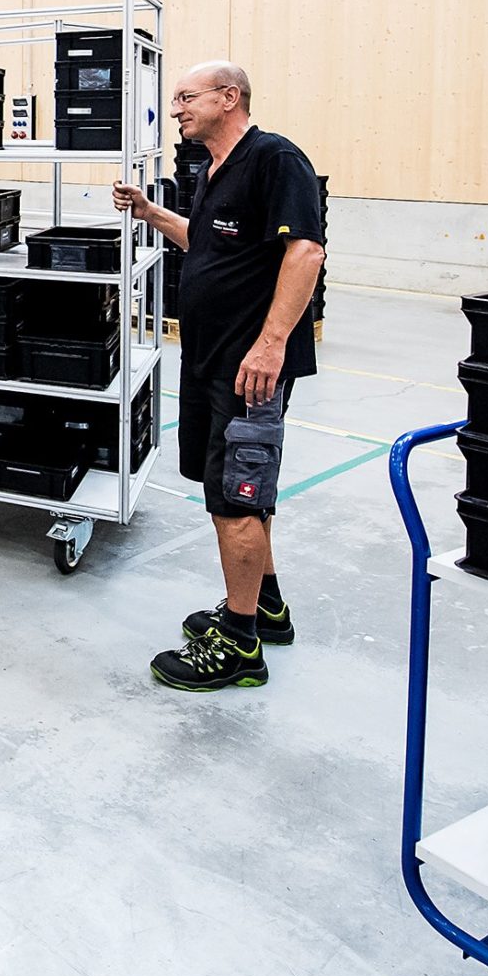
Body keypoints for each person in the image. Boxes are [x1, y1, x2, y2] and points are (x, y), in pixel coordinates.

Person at [113, 61, 325, 692]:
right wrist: (152, 212)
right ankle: (265, 606)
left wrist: (270, 345)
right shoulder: (213, 171)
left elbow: (305, 250)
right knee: (240, 493)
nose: (175, 108)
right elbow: (205, 245)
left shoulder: (274, 160)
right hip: (211, 362)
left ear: (229, 98)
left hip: (248, 370)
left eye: (185, 97)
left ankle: (238, 645)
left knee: (235, 498)